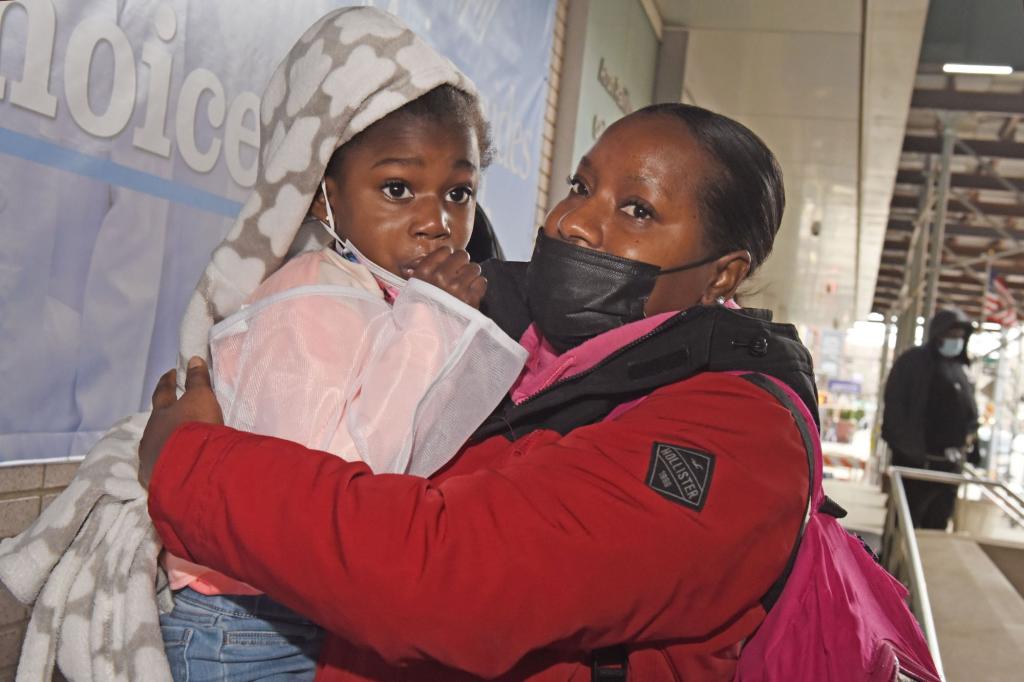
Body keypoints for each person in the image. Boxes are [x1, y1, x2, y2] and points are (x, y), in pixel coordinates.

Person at [142, 101, 822, 680]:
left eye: (637, 210)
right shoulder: (503, 318)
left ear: (722, 276)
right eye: (580, 187)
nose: (575, 223)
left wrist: (192, 463)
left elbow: (448, 579)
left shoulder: (737, 437)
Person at [153, 9, 526, 681]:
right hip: (243, 626)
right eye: (397, 188)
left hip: (294, 615)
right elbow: (332, 489)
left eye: (459, 192)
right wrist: (436, 320)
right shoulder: (309, 300)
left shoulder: (374, 292)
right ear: (325, 197)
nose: (437, 222)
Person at [883, 308, 980, 529]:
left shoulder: (960, 370)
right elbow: (894, 408)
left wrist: (971, 440)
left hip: (948, 469)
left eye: (960, 336)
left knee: (936, 526)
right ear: (938, 335)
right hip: (914, 464)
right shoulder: (912, 362)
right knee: (904, 526)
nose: (956, 341)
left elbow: (970, 412)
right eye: (951, 335)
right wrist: (906, 448)